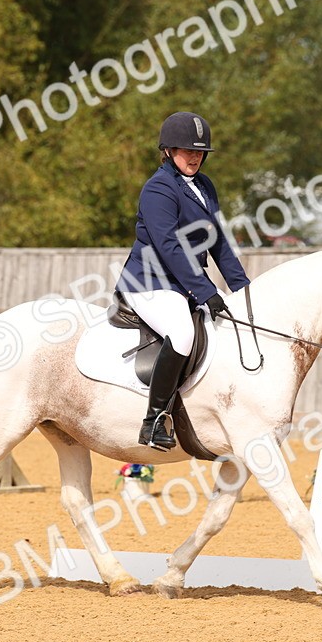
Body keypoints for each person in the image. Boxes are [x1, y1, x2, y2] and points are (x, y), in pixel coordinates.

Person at [115, 111, 251, 450]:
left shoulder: (204, 186)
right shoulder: (158, 188)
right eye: (186, 150)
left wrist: (245, 291)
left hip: (182, 282)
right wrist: (205, 290)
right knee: (182, 333)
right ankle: (154, 419)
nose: (194, 157)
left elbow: (217, 241)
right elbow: (169, 246)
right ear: (167, 150)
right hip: (150, 283)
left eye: (200, 152)